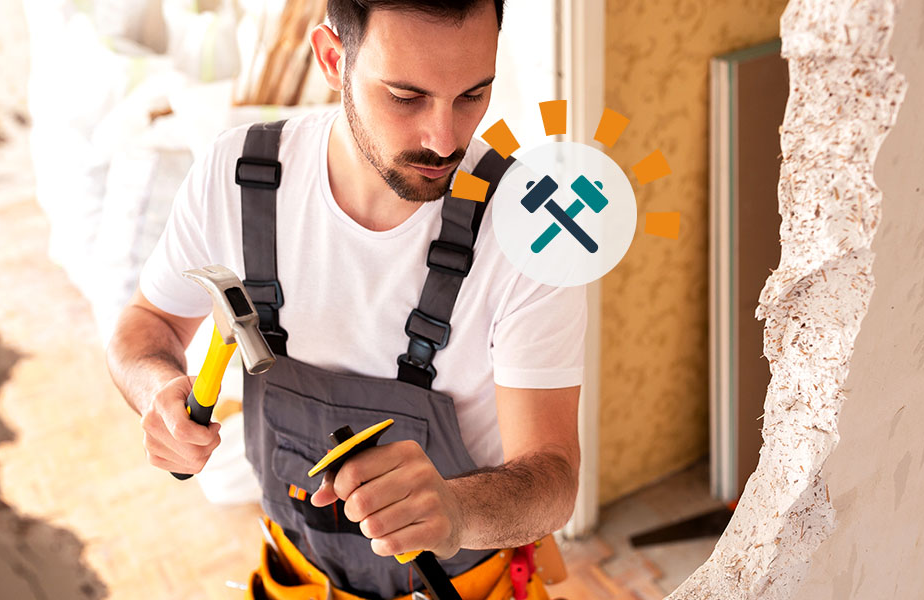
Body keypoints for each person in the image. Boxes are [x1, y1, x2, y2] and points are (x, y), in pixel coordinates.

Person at [105, 1, 584, 597]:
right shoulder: (238, 176)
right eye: (406, 97)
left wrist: (456, 511)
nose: (444, 139)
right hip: (296, 576)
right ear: (334, 59)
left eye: (472, 95)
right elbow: (147, 325)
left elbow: (554, 480)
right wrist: (158, 392)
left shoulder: (531, 231)